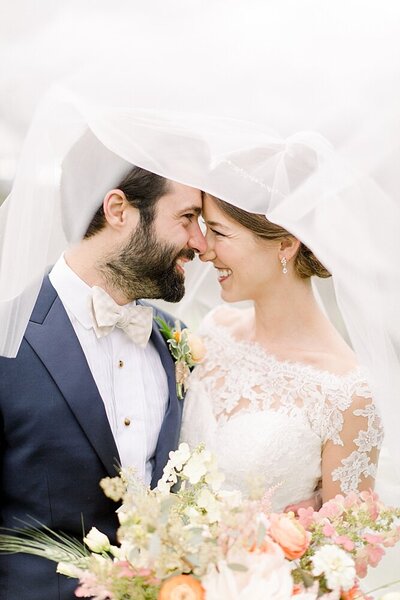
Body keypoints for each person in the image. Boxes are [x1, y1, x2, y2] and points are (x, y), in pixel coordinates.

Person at [0, 158, 206, 599]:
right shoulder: (6, 340)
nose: (199, 243)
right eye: (187, 218)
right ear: (118, 210)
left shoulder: (178, 342)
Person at [180, 193, 383, 512]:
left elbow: (346, 549)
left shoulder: (347, 394)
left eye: (219, 232)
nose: (204, 249)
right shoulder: (214, 331)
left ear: (286, 244)